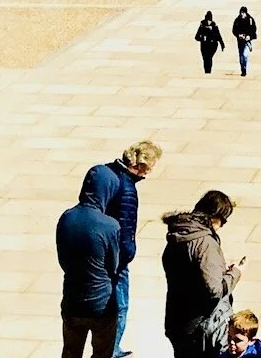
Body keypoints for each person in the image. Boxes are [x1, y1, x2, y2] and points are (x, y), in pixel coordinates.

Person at [85, 141, 163, 358]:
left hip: (95, 250)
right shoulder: (127, 189)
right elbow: (126, 229)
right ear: (142, 165)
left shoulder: (106, 173)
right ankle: (111, 349)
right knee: (119, 306)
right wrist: (128, 255)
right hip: (115, 259)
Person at [164, 190, 244, 358]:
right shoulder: (205, 243)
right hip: (200, 326)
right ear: (215, 217)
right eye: (223, 220)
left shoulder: (178, 233)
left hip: (177, 319)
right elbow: (214, 290)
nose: (222, 226)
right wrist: (235, 273)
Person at [58, 164, 123, 358]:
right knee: (102, 352)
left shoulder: (66, 218)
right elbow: (114, 266)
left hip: (72, 300)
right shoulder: (110, 226)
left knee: (70, 351)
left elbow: (62, 259)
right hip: (101, 304)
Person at [232, 6, 258, 76]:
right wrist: (238, 35)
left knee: (244, 55)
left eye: (243, 13)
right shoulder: (237, 20)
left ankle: (244, 69)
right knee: (241, 56)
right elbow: (234, 30)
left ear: (246, 13)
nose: (242, 14)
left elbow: (253, 29)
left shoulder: (250, 19)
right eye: (241, 13)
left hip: (247, 40)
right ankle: (242, 69)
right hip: (240, 40)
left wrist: (249, 36)